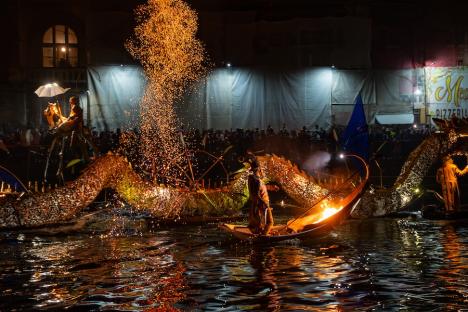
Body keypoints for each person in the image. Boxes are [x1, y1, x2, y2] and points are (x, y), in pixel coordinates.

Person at [246, 154, 278, 235]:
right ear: (259, 169)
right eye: (261, 169)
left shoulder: (254, 179)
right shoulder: (255, 180)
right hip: (260, 204)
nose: (262, 171)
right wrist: (264, 205)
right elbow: (256, 194)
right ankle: (263, 236)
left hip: (258, 204)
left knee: (258, 223)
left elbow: (260, 188)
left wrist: (270, 187)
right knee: (270, 222)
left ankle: (261, 233)